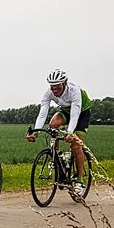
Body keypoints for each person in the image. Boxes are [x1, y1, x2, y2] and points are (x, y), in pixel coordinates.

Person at [27, 69, 91, 199]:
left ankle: (80, 180)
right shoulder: (48, 93)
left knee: (76, 145)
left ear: (65, 83)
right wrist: (36, 131)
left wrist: (70, 132)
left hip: (81, 113)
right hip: (66, 111)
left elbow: (75, 114)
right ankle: (57, 157)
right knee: (53, 125)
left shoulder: (74, 91)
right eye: (52, 86)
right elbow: (43, 113)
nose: (54, 89)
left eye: (57, 86)